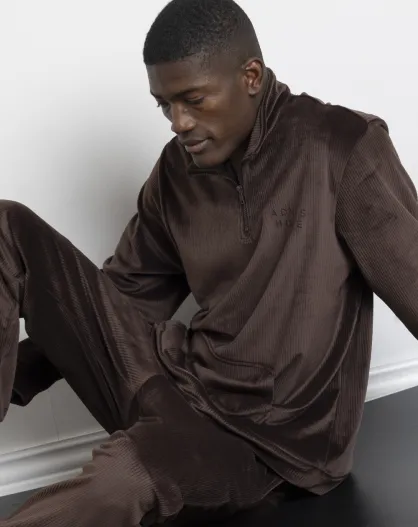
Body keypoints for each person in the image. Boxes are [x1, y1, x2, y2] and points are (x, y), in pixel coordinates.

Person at [1, 0, 417, 525]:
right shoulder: (177, 171)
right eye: (164, 106)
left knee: (123, 477)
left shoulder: (341, 147)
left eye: (193, 101)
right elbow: (128, 295)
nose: (178, 123)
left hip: (269, 449)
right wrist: (22, 368)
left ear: (251, 77)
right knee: (6, 225)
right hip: (177, 383)